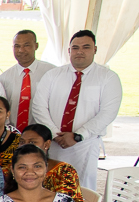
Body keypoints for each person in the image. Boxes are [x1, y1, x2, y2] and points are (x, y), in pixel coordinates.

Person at [31, 30, 122, 191]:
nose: (80, 51)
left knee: (83, 188)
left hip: (85, 145)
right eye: (75, 47)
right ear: (69, 50)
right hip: (54, 141)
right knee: (51, 186)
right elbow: (39, 107)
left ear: (95, 49)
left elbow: (108, 113)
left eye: (86, 47)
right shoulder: (53, 75)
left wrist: (79, 135)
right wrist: (54, 134)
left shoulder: (108, 77)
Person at [0, 29, 53, 132]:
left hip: (42, 134)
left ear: (36, 46)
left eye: (26, 45)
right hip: (12, 135)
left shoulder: (51, 73)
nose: (21, 50)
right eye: (17, 46)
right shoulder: (4, 78)